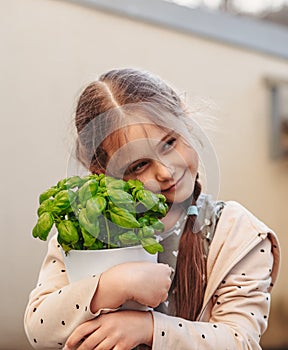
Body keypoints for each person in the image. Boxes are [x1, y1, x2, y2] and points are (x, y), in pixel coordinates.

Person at [24, 68, 280, 350]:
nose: (166, 172)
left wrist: (148, 329)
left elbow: (241, 341)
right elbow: (39, 332)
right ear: (103, 173)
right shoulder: (86, 228)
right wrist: (109, 286)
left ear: (187, 123)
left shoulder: (237, 232)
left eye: (170, 143)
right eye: (139, 165)